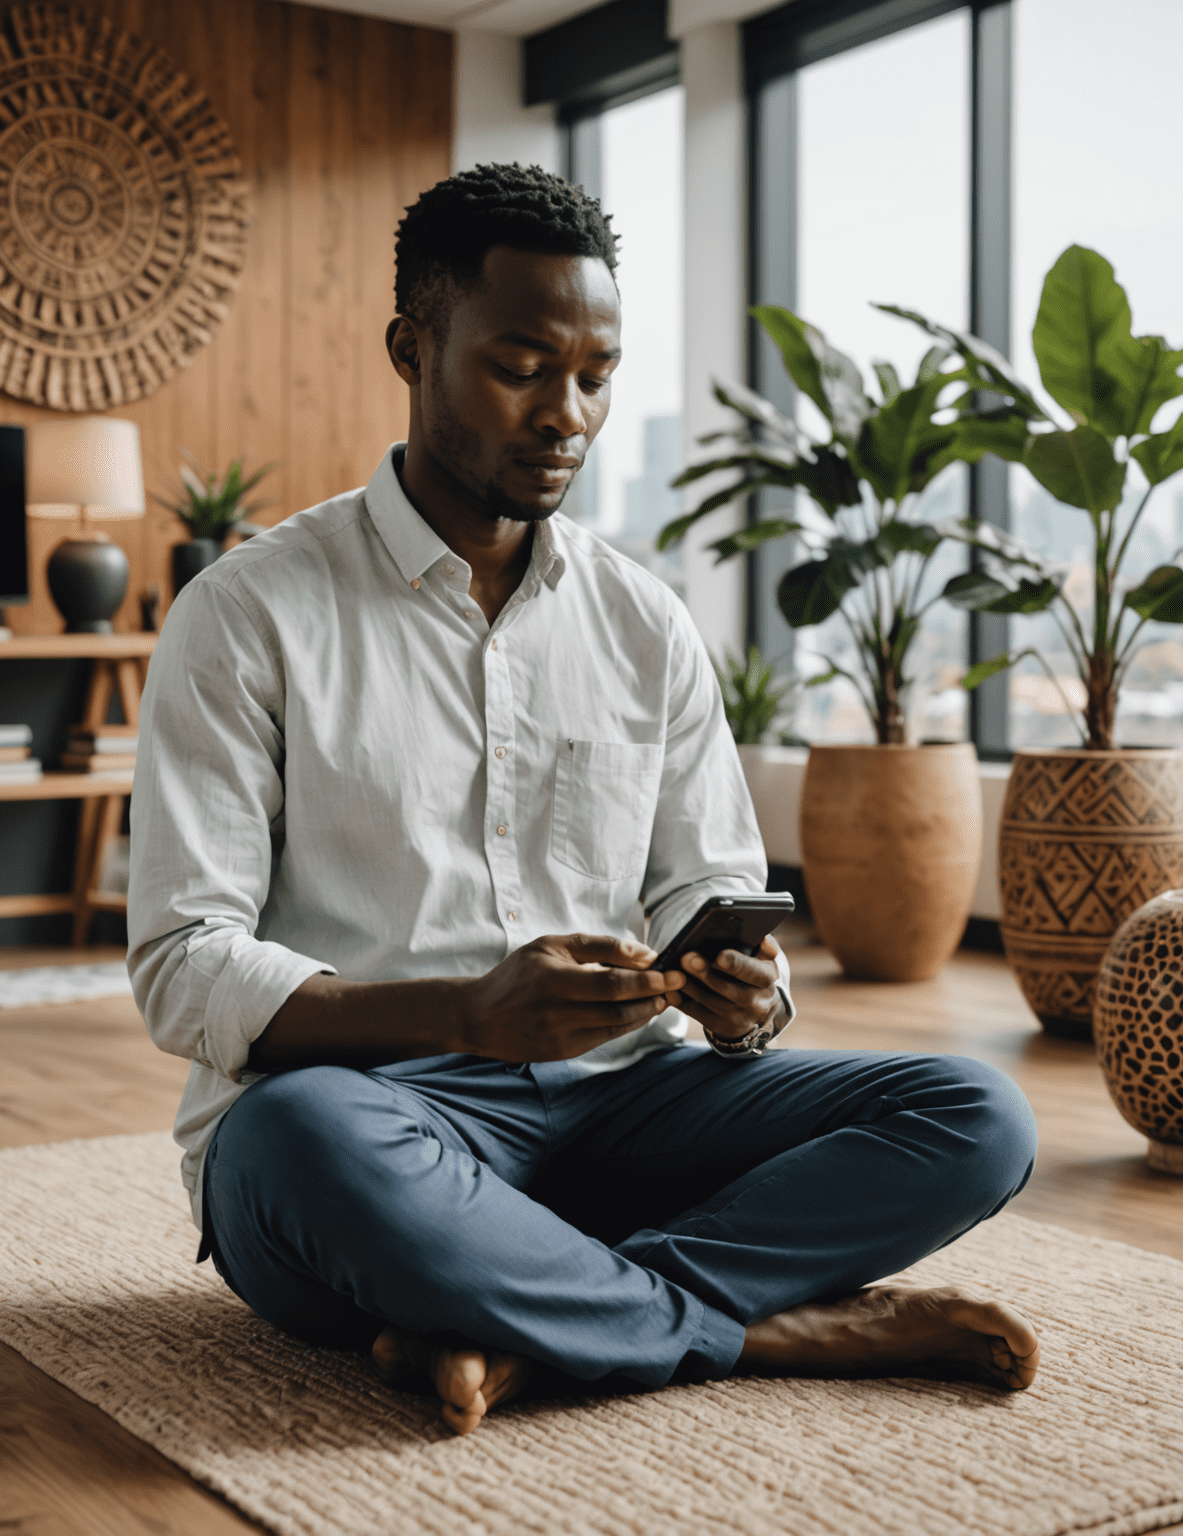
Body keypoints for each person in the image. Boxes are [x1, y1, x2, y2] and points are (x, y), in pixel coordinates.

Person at [128, 163, 1041, 1438]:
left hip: (625, 1105)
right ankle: (767, 1328)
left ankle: (532, 1317)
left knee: (976, 1113)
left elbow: (705, 884)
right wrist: (468, 1012)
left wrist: (743, 997)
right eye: (521, 368)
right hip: (380, 1109)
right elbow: (183, 963)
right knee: (292, 1145)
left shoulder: (642, 621)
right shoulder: (246, 615)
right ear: (412, 348)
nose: (567, 414)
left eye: (598, 376)